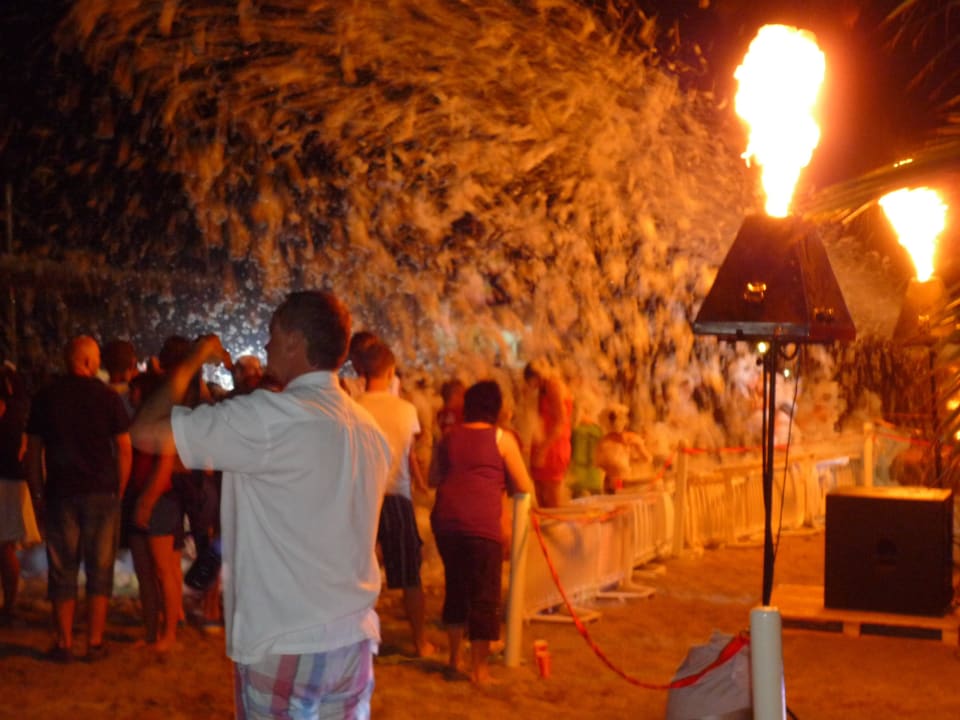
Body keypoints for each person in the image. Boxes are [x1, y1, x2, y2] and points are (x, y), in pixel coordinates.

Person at [130, 291, 390, 719]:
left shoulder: (271, 418)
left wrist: (192, 360)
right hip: (353, 638)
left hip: (285, 638)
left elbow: (145, 431)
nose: (266, 346)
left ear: (293, 339)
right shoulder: (367, 427)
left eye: (272, 334)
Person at [26, 336, 132, 662]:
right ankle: (95, 642)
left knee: (63, 568)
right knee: (99, 569)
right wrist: (120, 489)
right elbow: (124, 448)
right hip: (101, 492)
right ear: (88, 362)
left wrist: (38, 493)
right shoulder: (107, 398)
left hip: (61, 492)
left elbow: (32, 454)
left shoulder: (46, 397)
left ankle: (64, 641)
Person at [429, 380, 535, 684]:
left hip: (448, 522)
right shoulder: (502, 438)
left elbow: (434, 477)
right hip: (482, 525)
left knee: (456, 589)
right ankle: (480, 670)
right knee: (485, 597)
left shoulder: (448, 437)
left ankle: (454, 660)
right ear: (497, 408)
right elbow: (524, 484)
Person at [357, 341, 434, 658]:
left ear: (361, 373)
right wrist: (420, 482)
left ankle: (360, 639)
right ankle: (419, 641)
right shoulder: (407, 410)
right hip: (396, 497)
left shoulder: (354, 406)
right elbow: (409, 451)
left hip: (362, 498)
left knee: (360, 571)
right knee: (409, 575)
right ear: (390, 372)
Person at [0, 364, 31, 624]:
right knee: (5, 546)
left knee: (4, 547)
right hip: (12, 480)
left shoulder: (11, 412)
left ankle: (9, 605)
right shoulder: (21, 411)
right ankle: (9, 603)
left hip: (5, 482)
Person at [523, 362, 573, 508]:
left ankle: (557, 530)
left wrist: (543, 449)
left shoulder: (553, 386)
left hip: (552, 446)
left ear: (537, 376)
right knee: (540, 493)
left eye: (530, 381)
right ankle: (546, 530)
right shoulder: (544, 388)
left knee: (550, 496)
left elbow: (560, 421)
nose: (531, 385)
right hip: (544, 443)